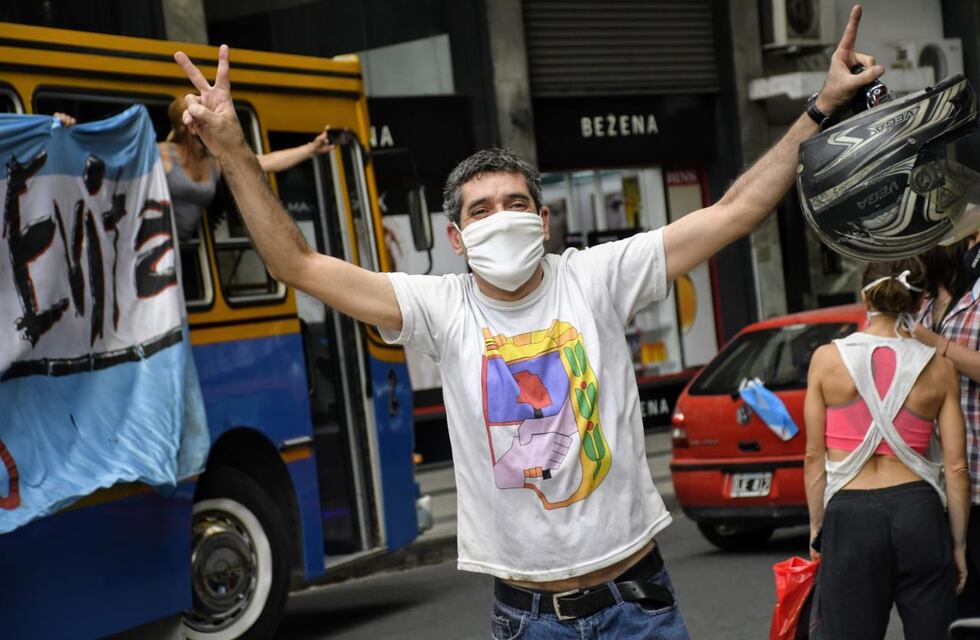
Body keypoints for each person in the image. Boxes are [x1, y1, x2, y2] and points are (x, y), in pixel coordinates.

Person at [173, 6, 884, 637]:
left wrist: (820, 106)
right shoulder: (439, 306)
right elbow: (297, 265)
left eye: (516, 203)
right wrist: (234, 152)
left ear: (544, 222)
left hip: (639, 603)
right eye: (480, 210)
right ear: (455, 239)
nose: (501, 218)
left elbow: (734, 212)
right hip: (527, 619)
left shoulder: (596, 275)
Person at [804, 259, 969, 639]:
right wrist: (957, 545)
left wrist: (818, 528)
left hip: (851, 516)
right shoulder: (939, 368)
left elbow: (814, 457)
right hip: (919, 513)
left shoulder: (826, 361)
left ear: (865, 295)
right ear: (917, 300)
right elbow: (956, 467)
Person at [913, 231, 980, 618]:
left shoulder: (974, 301)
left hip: (977, 473)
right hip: (936, 486)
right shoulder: (921, 308)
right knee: (951, 607)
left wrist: (937, 345)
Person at [158, 95, 335, 241]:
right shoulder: (161, 155)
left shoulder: (215, 161)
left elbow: (264, 162)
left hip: (188, 250)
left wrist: (311, 149)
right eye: (207, 119)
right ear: (191, 127)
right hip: (154, 245)